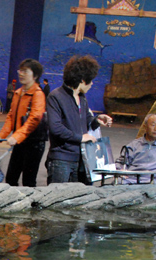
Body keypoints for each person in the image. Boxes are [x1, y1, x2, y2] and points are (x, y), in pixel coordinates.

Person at [45, 55, 112, 184]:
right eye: (90, 80)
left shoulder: (82, 98)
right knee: (58, 195)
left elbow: (86, 120)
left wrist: (97, 120)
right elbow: (55, 128)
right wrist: (80, 138)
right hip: (61, 159)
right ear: (82, 80)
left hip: (82, 158)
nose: (92, 84)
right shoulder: (55, 97)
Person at [0, 58, 46, 187]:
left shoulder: (38, 94)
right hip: (19, 142)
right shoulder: (18, 93)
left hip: (33, 144)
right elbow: (11, 117)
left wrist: (16, 137)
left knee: (28, 181)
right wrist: (1, 136)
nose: (21, 74)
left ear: (35, 76)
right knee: (11, 179)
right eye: (20, 71)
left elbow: (34, 119)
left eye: (25, 71)